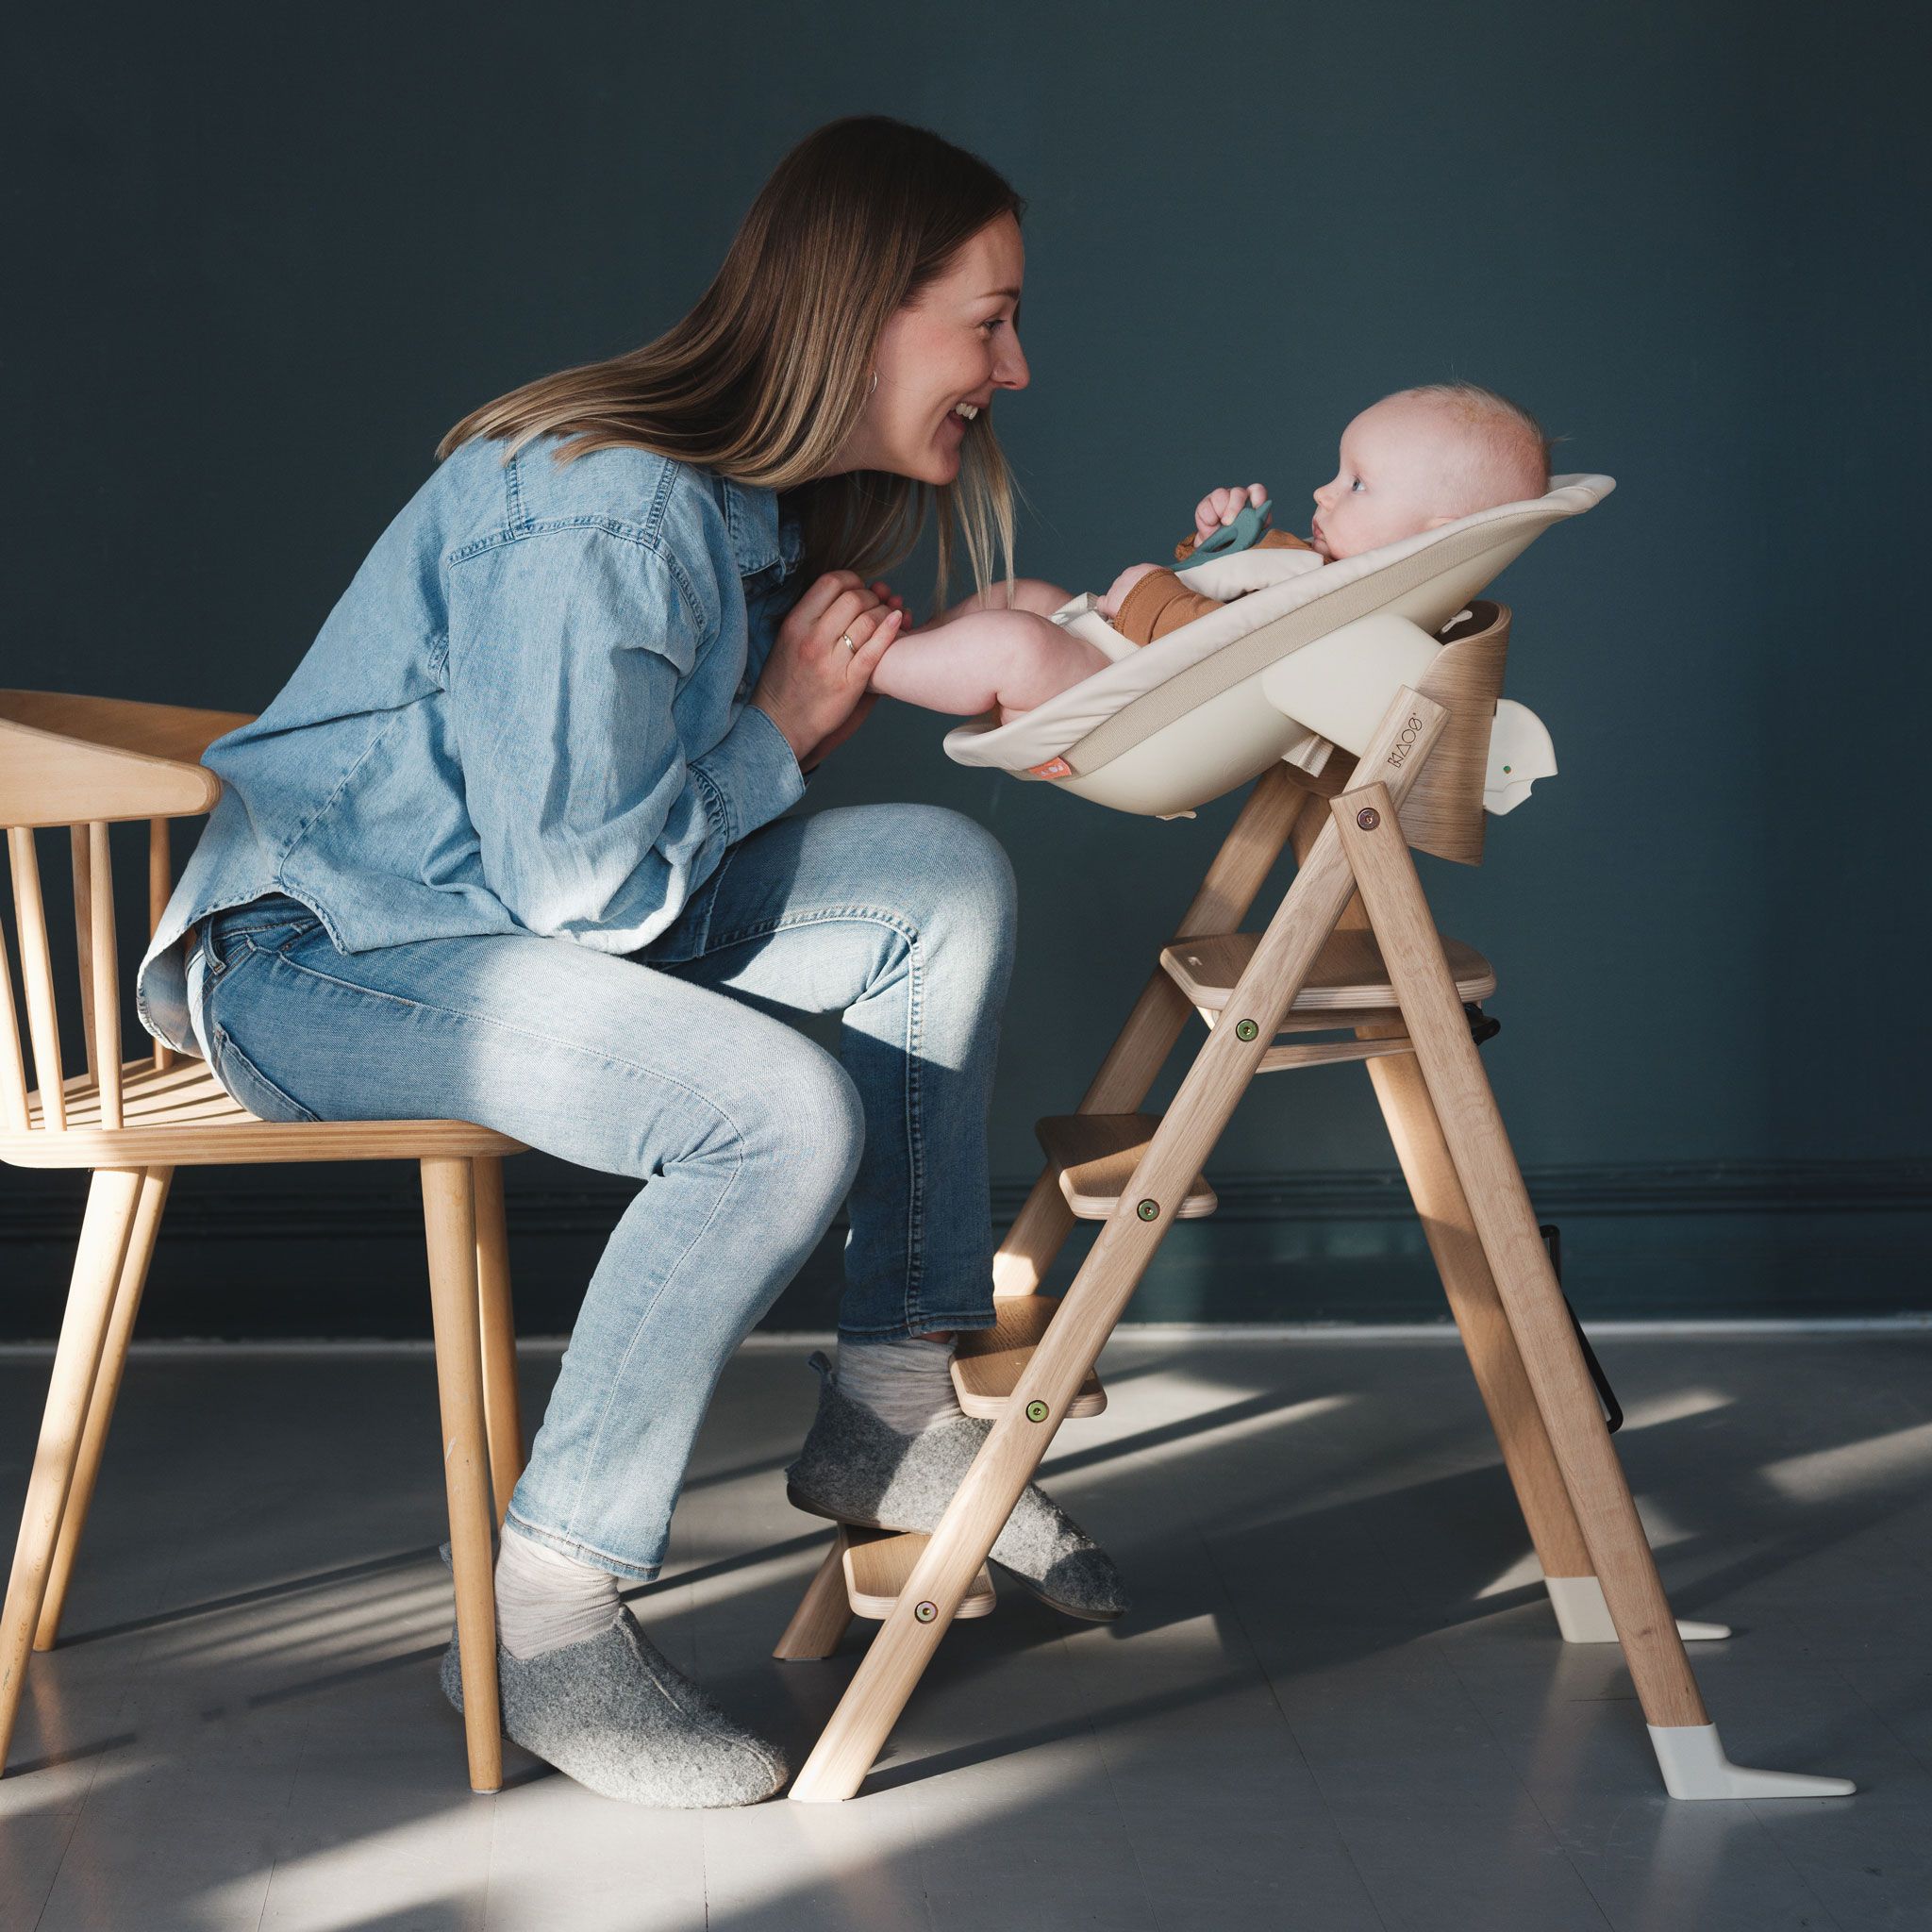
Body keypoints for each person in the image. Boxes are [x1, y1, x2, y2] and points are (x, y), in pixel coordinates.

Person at [132, 116, 1124, 1809]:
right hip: (326, 958)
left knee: (936, 879)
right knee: (772, 1111)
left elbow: (618, 863)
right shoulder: (604, 510)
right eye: (990, 319)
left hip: (494, 925)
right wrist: (783, 727)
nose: (1014, 367)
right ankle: (546, 1620)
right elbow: (585, 886)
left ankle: (889, 1406)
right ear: (864, 311)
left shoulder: (744, 514)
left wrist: (979, 650)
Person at [864, 383, 1552, 722]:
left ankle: (862, 663)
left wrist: (1148, 596)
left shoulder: (1343, 617)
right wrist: (1218, 538)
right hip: (1113, 646)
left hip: (1126, 699)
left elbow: (1226, 653)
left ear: (1436, 535)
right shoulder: (1314, 565)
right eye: (1339, 472)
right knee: (1024, 597)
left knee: (1016, 644)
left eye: (1358, 484)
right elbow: (1211, 585)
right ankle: (903, 643)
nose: (1323, 491)